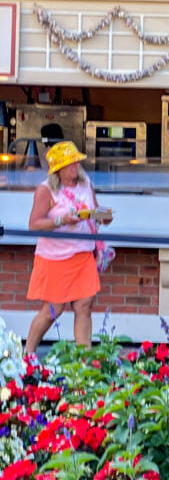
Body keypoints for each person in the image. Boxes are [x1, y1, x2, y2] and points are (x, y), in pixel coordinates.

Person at [25, 141, 111, 354]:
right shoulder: (46, 190)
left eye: (77, 162)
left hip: (82, 254)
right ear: (58, 169)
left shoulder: (85, 183)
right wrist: (62, 220)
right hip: (55, 257)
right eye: (71, 163)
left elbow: (95, 209)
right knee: (53, 310)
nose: (76, 166)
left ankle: (84, 361)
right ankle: (28, 354)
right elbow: (34, 224)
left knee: (84, 307)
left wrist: (104, 215)